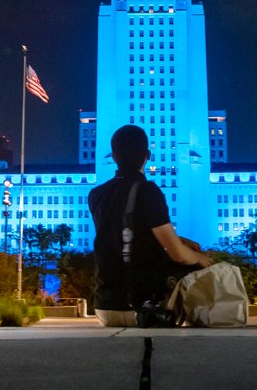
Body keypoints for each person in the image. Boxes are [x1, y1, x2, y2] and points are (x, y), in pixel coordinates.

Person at [88, 124, 212, 327]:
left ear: (113, 156)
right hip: (142, 309)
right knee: (191, 259)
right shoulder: (148, 191)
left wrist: (181, 240)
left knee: (185, 247)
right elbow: (177, 254)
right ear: (148, 155)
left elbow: (122, 235)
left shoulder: (96, 195)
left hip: (104, 307)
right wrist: (201, 258)